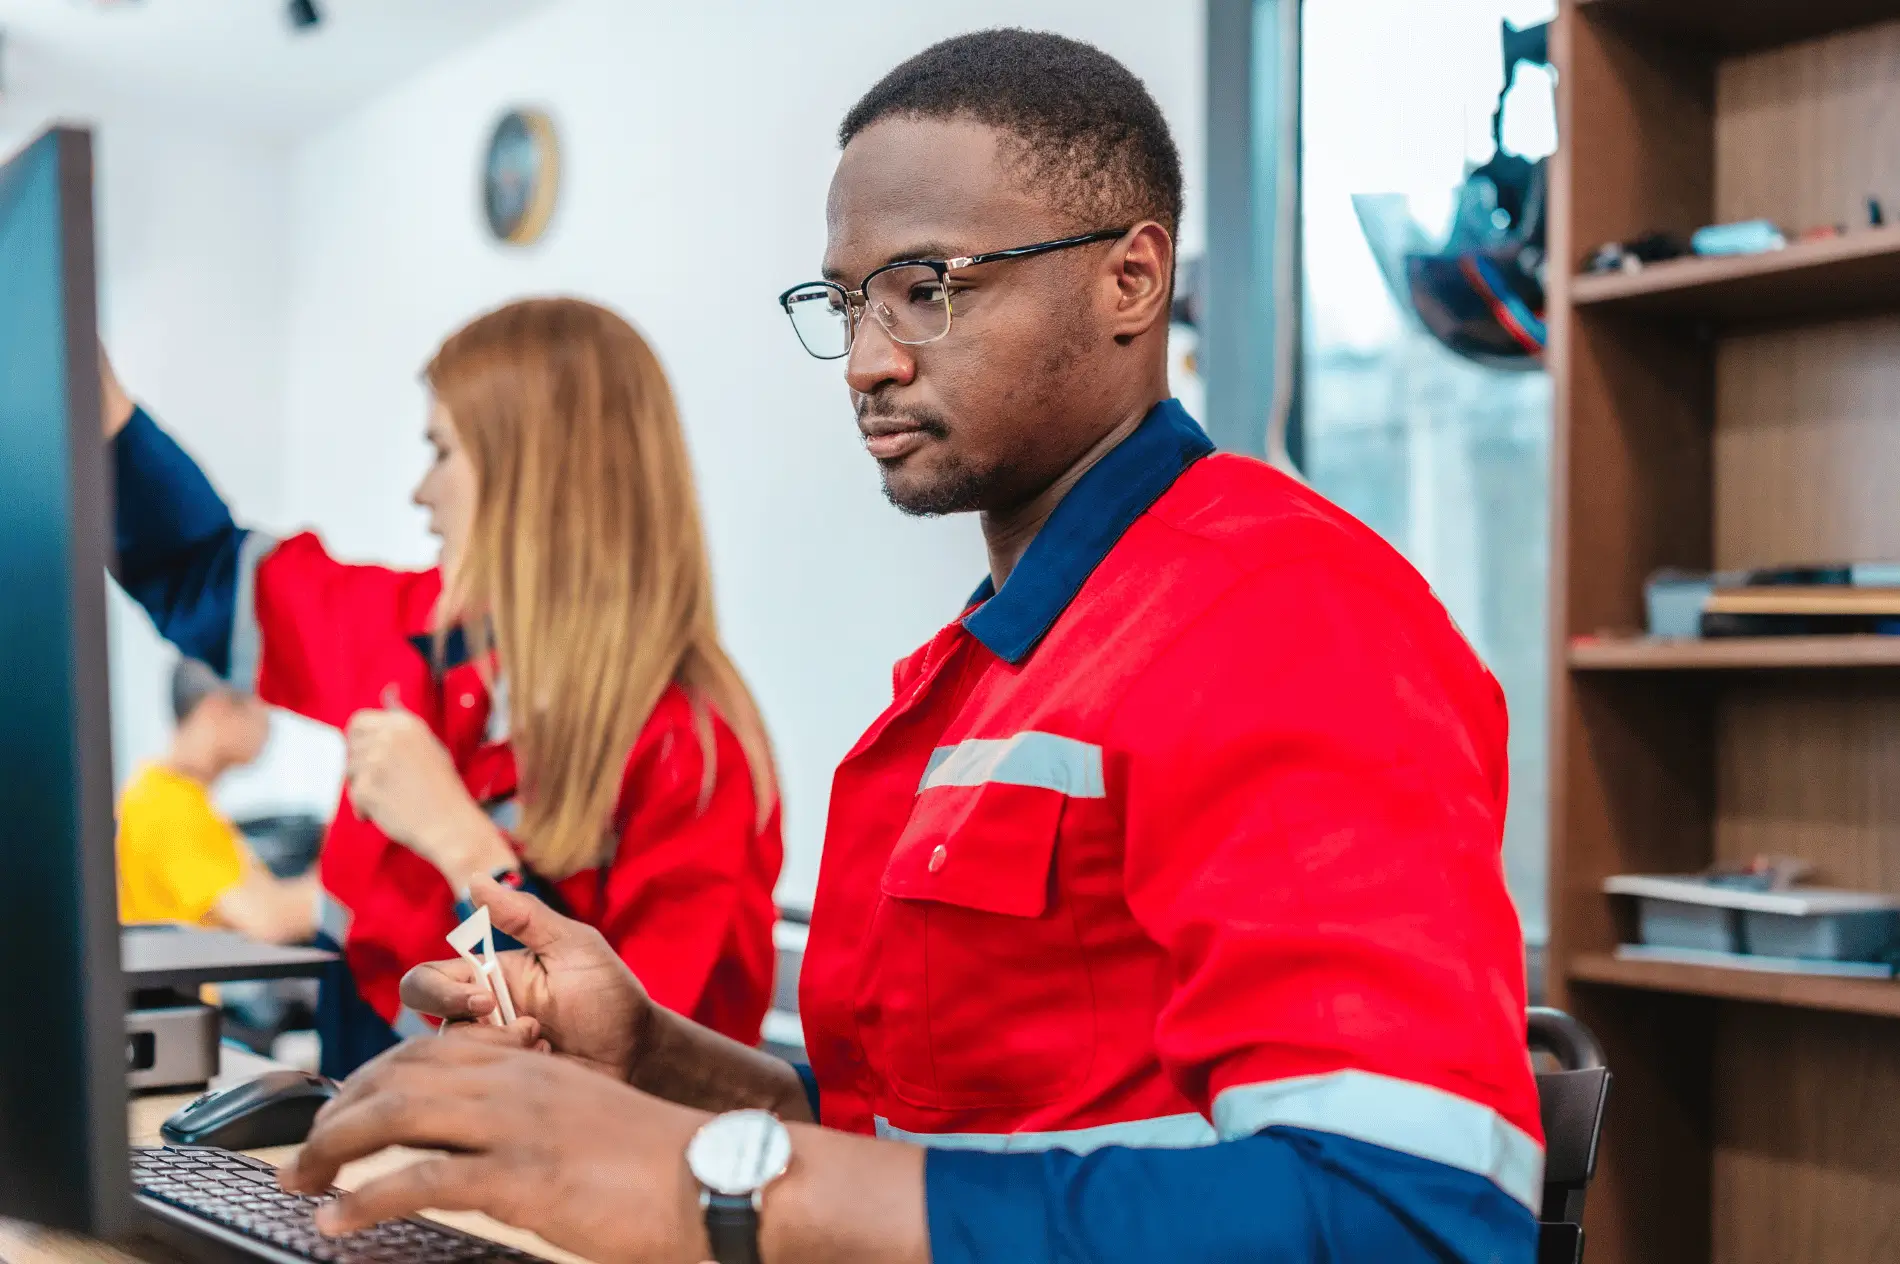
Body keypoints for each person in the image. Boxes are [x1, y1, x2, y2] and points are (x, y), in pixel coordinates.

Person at [284, 30, 1542, 1264]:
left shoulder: (1279, 613)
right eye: (847, 303)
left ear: (1131, 279)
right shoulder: (995, 668)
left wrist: (712, 1189)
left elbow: (1404, 1218)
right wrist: (653, 1059)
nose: (867, 361)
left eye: (929, 287)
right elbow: (899, 1151)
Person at [104, 297, 783, 1078]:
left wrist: (460, 843)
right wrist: (103, 413)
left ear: (535, 480)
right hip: (373, 1125)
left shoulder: (693, 750)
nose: (421, 496)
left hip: (549, 1179)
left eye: (442, 453)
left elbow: (636, 1066)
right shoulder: (415, 638)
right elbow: (203, 573)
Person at [117, 658, 317, 944]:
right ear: (218, 708)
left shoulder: (183, 798)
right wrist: (349, 890)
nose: (270, 723)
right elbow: (267, 919)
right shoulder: (163, 806)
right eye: (263, 703)